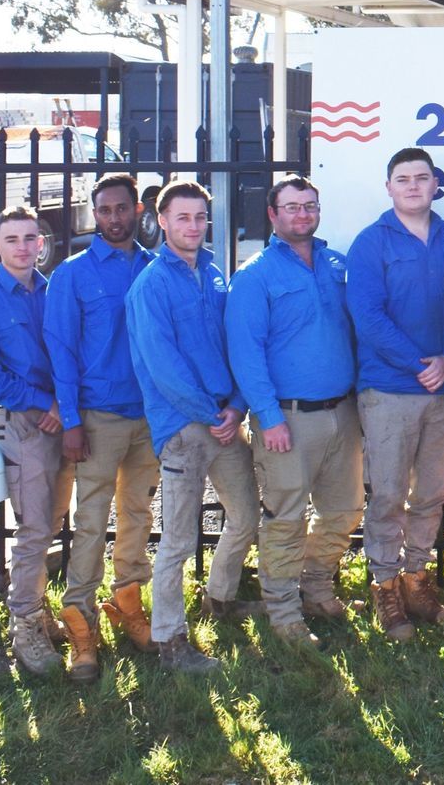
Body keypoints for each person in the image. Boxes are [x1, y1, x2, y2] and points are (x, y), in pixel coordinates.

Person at [125, 181, 261, 673]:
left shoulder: (214, 273)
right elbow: (163, 368)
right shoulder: (151, 285)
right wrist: (212, 414)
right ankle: (170, 641)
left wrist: (236, 408)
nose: (193, 226)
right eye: (182, 218)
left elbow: (232, 345)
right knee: (179, 541)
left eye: (200, 217)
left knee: (246, 515)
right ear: (161, 221)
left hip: (225, 419)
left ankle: (220, 599)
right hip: (184, 428)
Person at [227, 177, 362, 651]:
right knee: (285, 518)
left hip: (343, 413)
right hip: (287, 418)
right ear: (273, 215)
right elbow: (246, 354)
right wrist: (267, 417)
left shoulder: (336, 265)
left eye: (309, 206)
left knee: (345, 509)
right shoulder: (255, 275)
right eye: (291, 207)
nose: (302, 214)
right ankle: (282, 611)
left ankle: (317, 587)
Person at [346, 148, 444, 642]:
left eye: (422, 177)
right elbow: (368, 316)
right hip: (391, 389)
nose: (414, 185)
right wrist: (422, 363)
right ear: (389, 187)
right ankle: (384, 587)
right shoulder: (370, 243)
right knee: (390, 493)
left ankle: (418, 581)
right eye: (403, 178)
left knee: (435, 491)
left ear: (436, 183)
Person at [43, 173, 158, 680]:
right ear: (95, 215)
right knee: (90, 522)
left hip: (149, 417)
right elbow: (61, 353)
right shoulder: (73, 273)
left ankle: (128, 604)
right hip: (98, 417)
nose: (113, 218)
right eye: (103, 211)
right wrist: (71, 420)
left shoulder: (155, 267)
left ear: (137, 209)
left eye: (120, 209)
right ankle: (81, 625)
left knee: (137, 514)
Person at [0, 205, 68, 675]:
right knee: (35, 528)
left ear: (41, 243)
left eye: (31, 238)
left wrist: (63, 407)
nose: (24, 247)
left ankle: (41, 610)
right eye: (13, 239)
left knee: (56, 517)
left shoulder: (55, 292)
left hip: (66, 419)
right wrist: (42, 404)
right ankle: (24, 624)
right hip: (26, 423)